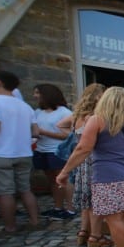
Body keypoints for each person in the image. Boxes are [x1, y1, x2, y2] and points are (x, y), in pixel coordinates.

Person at [56, 86, 124, 247]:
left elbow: (82, 149)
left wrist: (65, 172)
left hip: (108, 175)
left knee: (113, 219)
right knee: (123, 216)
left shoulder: (97, 120)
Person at [56, 83, 112, 247]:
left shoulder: (77, 115)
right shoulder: (94, 116)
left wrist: (75, 137)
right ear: (97, 96)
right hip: (93, 160)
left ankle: (83, 233)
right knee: (95, 200)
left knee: (86, 200)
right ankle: (96, 237)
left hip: (81, 163)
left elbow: (59, 125)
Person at [0, 69, 40, 234]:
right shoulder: (25, 106)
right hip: (23, 152)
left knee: (5, 192)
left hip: (0, 152)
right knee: (25, 189)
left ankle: (10, 226)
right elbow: (35, 132)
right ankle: (34, 220)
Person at [32, 84, 75, 220]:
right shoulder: (38, 112)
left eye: (38, 92)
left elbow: (70, 135)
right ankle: (58, 207)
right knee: (52, 181)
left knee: (64, 179)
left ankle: (70, 208)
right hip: (42, 149)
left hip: (58, 150)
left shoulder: (64, 113)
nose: (35, 95)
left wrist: (44, 132)